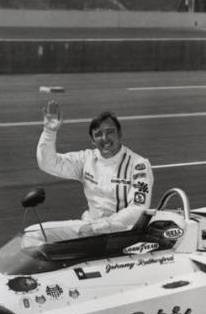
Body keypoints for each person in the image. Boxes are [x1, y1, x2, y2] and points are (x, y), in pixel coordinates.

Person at [31, 100, 153, 243]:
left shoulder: (138, 165)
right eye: (98, 134)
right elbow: (48, 164)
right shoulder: (86, 159)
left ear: (120, 134)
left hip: (121, 235)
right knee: (34, 235)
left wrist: (100, 227)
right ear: (93, 141)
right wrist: (49, 132)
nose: (105, 138)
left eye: (110, 132)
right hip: (89, 228)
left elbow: (138, 209)